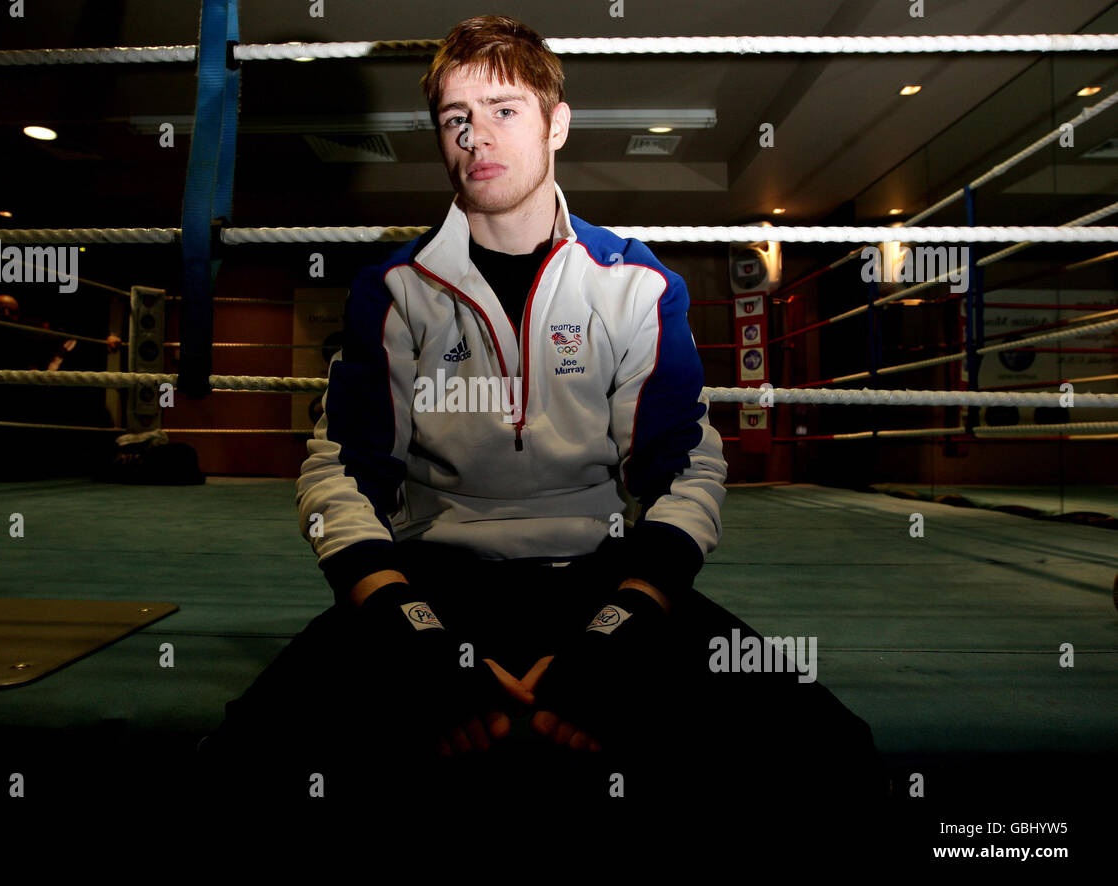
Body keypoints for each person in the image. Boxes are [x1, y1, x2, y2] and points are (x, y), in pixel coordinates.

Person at [201, 16, 886, 839]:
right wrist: (395, 620)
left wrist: (630, 620)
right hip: (431, 580)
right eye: (455, 118)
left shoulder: (635, 284)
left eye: (503, 110)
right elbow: (340, 470)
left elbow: (684, 467)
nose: (474, 137)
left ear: (556, 123)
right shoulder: (393, 288)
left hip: (600, 574)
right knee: (236, 766)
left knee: (836, 757)